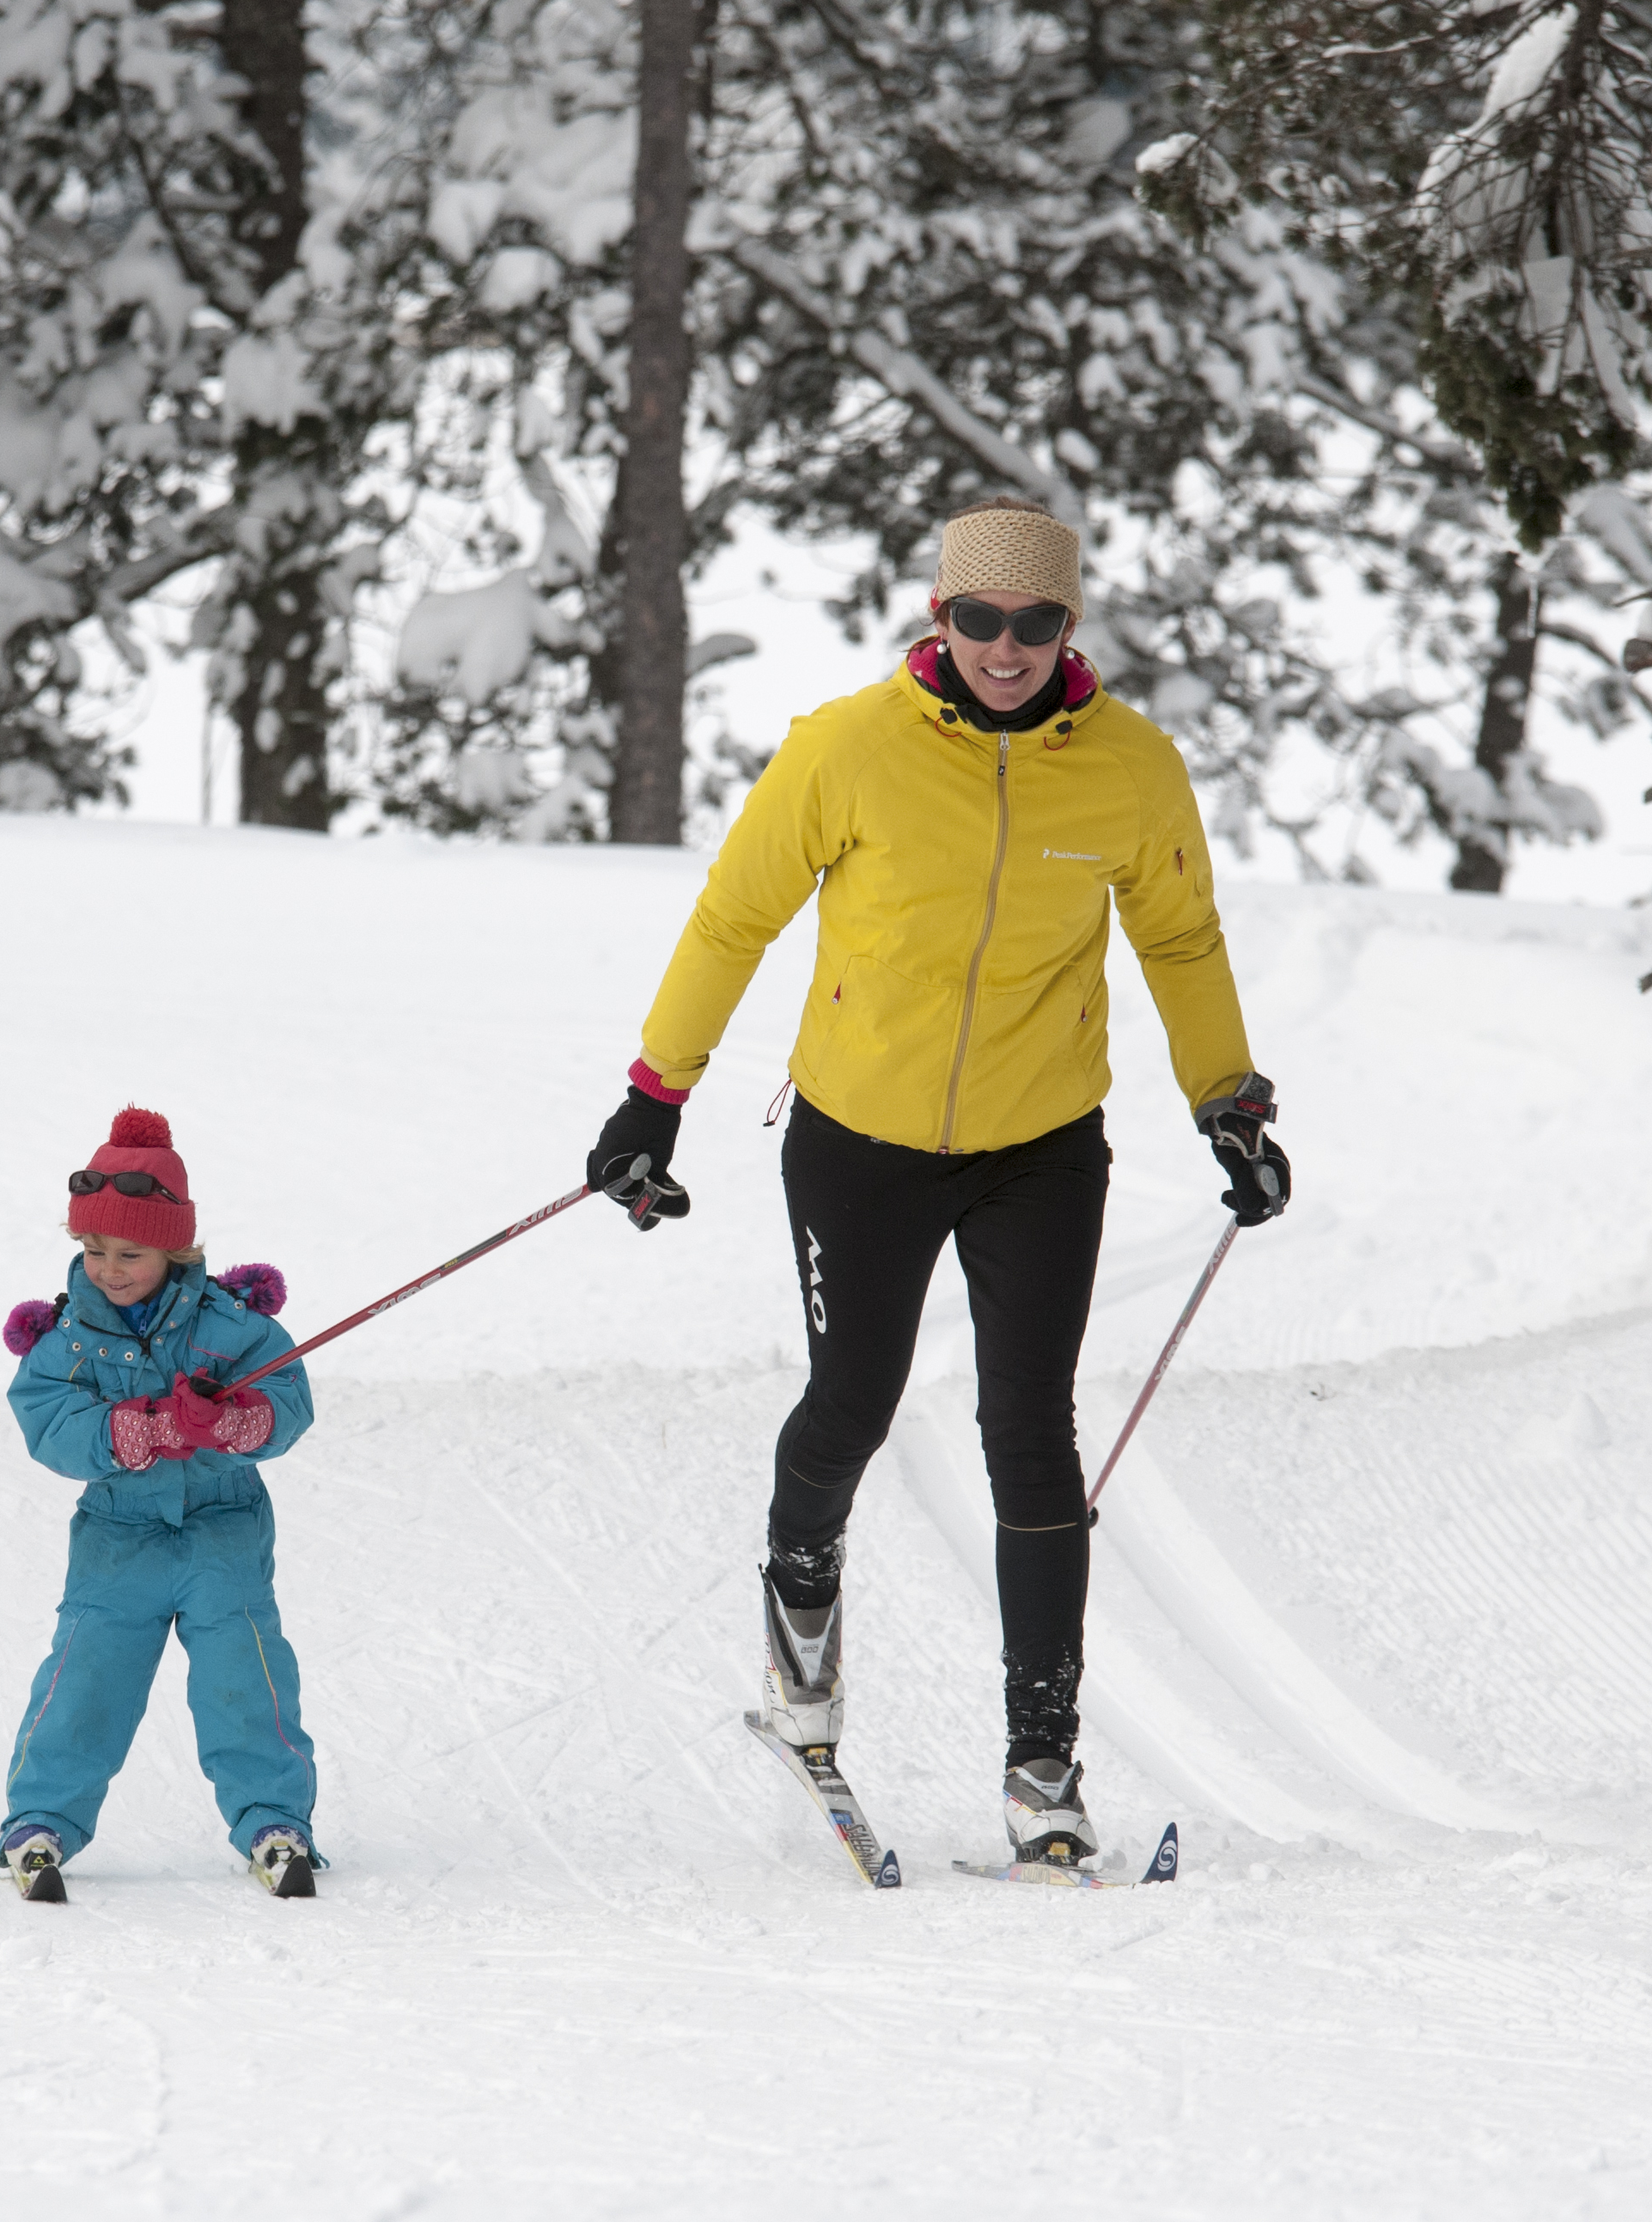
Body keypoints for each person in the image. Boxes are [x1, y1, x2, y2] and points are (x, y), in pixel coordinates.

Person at [584, 496, 1292, 1867]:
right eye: (980, 619)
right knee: (850, 1399)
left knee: (1029, 1427)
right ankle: (802, 1647)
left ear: (1068, 627)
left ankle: (1042, 1761)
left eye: (1035, 622)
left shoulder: (1132, 770)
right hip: (860, 1135)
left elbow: (1183, 941)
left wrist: (1228, 1102)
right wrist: (654, 1095)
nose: (1006, 647)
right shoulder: (846, 749)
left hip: (1039, 1142)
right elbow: (734, 915)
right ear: (938, 617)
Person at [0, 1108, 320, 1901]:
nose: (108, 1268)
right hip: (119, 1539)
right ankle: (38, 1822)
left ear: (175, 1249)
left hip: (222, 1530)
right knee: (85, 1681)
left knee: (245, 1679)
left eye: (129, 1252)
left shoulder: (232, 1325)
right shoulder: (65, 1340)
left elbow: (289, 1396)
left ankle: (274, 1821)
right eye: (93, 1249)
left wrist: (240, 1420)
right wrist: (135, 1428)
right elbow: (47, 1421)